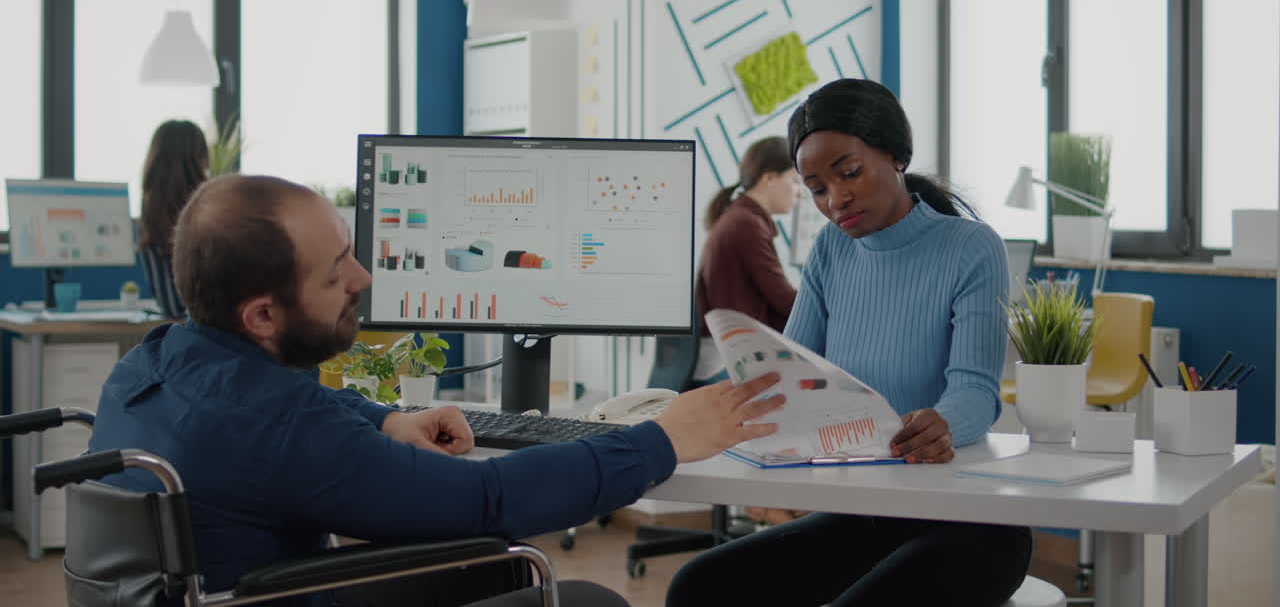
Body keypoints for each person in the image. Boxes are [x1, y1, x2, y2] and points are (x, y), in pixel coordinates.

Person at [88, 174, 786, 607]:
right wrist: (659, 442)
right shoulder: (281, 429)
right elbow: (489, 502)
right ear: (262, 315)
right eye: (337, 271)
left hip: (237, 592)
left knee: (500, 577)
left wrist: (384, 419)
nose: (362, 279)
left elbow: (291, 410)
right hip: (284, 596)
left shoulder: (153, 361)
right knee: (581, 599)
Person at [666, 79, 1031, 607]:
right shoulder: (833, 251)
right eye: (815, 188)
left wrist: (943, 423)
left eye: (849, 172)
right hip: (865, 513)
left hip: (970, 524)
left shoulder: (972, 248)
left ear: (896, 154)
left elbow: (976, 390)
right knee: (699, 587)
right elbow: (784, 376)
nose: (835, 199)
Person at [692, 135, 801, 386]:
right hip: (727, 362)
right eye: (795, 181)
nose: (799, 194)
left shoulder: (740, 218)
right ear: (769, 178)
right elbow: (784, 300)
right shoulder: (746, 224)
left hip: (725, 354)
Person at [138, 119, 208, 318]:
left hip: (191, 333)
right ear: (200, 160)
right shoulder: (214, 212)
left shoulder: (151, 220)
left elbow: (172, 308)